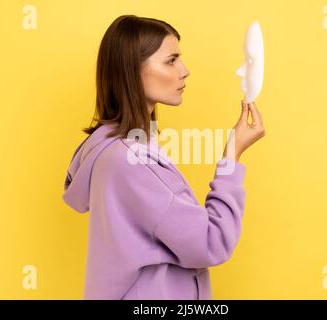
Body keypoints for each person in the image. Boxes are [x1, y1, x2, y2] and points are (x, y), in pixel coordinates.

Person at [62, 14, 265, 300]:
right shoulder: (132, 162)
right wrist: (233, 154)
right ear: (133, 70)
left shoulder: (116, 151)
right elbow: (211, 242)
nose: (185, 70)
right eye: (171, 60)